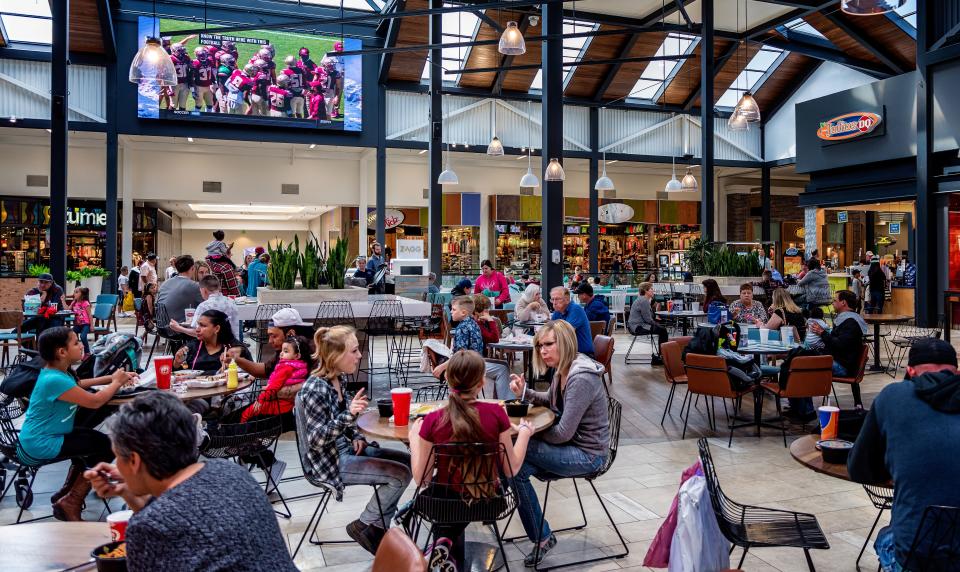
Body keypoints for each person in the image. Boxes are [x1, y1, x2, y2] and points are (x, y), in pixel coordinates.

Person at [83, 392, 298, 571]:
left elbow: (166, 522)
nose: (117, 465)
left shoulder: (148, 528)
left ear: (135, 460)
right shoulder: (230, 472)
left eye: (117, 456)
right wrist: (127, 491)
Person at [409, 350, 534, 569]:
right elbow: (511, 469)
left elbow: (422, 479)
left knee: (434, 497)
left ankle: (443, 542)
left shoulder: (432, 420)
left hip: (444, 504)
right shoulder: (496, 414)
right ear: (482, 381)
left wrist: (413, 441)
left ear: (447, 379)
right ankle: (445, 544)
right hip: (490, 501)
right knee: (465, 497)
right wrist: (523, 434)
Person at [848, 339, 960, 572]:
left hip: (916, 556)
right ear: (956, 371)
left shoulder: (894, 396)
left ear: (910, 372)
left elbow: (859, 468)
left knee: (885, 538)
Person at [299, 326, 412, 554]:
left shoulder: (337, 380)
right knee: (400, 476)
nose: (360, 355)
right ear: (335, 356)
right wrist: (349, 415)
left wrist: (357, 435)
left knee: (408, 463)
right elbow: (316, 439)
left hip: (346, 451)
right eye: (354, 350)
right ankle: (365, 524)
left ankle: (377, 529)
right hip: (329, 463)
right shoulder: (315, 387)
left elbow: (346, 424)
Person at [508, 321, 609, 567]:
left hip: (589, 454)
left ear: (564, 343)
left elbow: (562, 433)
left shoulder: (580, 377)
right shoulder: (564, 369)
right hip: (574, 446)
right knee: (514, 467)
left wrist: (527, 433)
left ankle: (495, 498)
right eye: (540, 345)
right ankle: (542, 537)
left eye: (548, 344)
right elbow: (551, 399)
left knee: (514, 453)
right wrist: (526, 393)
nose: (543, 351)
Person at [18, 327, 136, 520]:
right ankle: (71, 499)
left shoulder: (57, 373)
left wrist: (113, 378)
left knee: (95, 441)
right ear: (62, 352)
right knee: (107, 446)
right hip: (41, 444)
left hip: (46, 438)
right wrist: (115, 384)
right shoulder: (54, 379)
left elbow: (78, 385)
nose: (82, 344)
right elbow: (96, 401)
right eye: (76, 342)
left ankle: (68, 492)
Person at [434, 296, 514, 399]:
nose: (451, 312)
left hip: (470, 364)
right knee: (502, 368)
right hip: (472, 364)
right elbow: (460, 354)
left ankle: (504, 401)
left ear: (463, 312)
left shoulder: (463, 327)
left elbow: (459, 355)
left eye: (453, 310)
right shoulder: (472, 324)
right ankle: (506, 402)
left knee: (503, 367)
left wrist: (441, 367)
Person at [240, 334, 312, 426]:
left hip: (278, 405)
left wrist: (260, 399)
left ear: (297, 355)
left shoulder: (285, 368)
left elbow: (274, 386)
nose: (281, 353)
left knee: (246, 413)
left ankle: (242, 434)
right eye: (282, 350)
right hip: (290, 405)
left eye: (286, 351)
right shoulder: (301, 367)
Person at [809, 290, 867, 402]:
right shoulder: (848, 319)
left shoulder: (851, 322)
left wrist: (822, 333)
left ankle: (804, 409)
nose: (832, 303)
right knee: (801, 358)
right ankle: (803, 407)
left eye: (835, 300)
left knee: (801, 365)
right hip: (840, 361)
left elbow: (839, 344)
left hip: (843, 367)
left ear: (843, 303)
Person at [173, 310, 250, 373]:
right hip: (196, 390)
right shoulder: (191, 347)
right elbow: (180, 374)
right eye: (198, 325)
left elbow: (250, 374)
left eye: (203, 326)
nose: (197, 329)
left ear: (216, 329)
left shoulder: (233, 348)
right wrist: (177, 363)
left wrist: (236, 361)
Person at [167, 275, 240, 340]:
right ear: (219, 288)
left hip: (214, 349)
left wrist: (179, 328)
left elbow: (197, 332)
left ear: (203, 290)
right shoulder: (232, 302)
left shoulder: (204, 306)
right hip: (234, 345)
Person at [156, 255, 205, 325]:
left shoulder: (165, 283)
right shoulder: (194, 285)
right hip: (178, 327)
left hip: (161, 325)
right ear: (193, 268)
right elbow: (206, 304)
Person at [627, 282, 668, 365]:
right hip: (637, 327)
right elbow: (648, 319)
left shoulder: (642, 299)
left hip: (636, 325)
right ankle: (662, 357)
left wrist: (656, 323)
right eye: (651, 289)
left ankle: (662, 356)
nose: (653, 291)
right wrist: (657, 324)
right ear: (646, 291)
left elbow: (648, 318)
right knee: (663, 331)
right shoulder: (644, 301)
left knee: (662, 329)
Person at [549, 287, 594, 357]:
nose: (554, 303)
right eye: (552, 299)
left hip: (582, 356)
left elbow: (566, 333)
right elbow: (549, 330)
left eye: (557, 299)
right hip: (567, 353)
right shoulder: (558, 311)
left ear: (567, 300)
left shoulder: (576, 309)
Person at [69, 287, 93, 356]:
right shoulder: (74, 303)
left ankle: (87, 353)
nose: (74, 294)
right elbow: (68, 309)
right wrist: (71, 302)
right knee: (70, 334)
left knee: (83, 337)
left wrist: (91, 325)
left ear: (82, 294)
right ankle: (75, 352)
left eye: (76, 292)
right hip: (77, 324)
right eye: (74, 292)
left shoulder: (86, 303)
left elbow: (90, 315)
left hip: (86, 324)